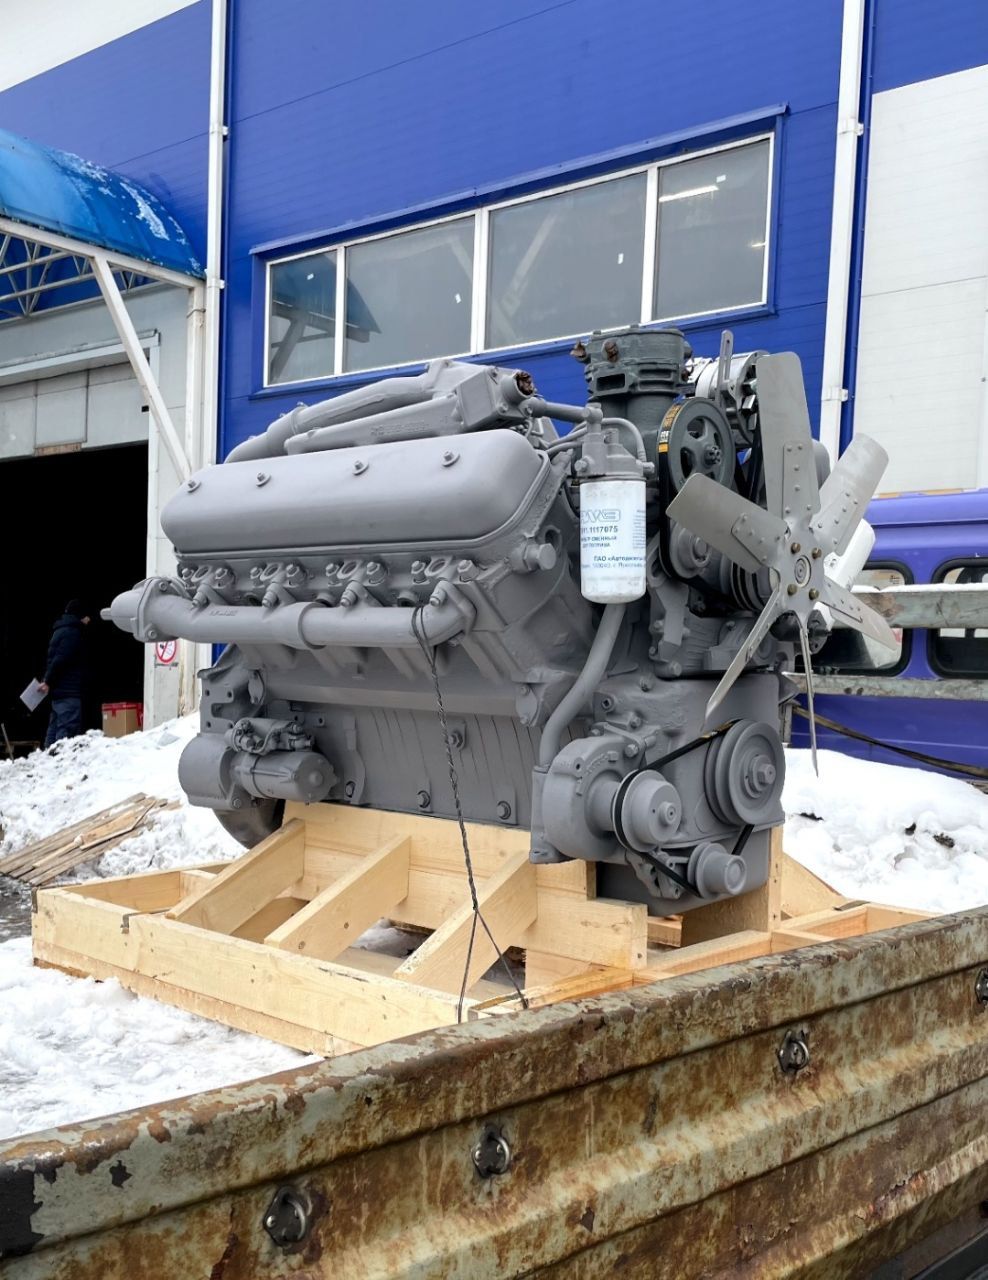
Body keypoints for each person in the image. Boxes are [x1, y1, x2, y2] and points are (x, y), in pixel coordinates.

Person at [39, 600, 92, 748]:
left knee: (54, 730)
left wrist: (48, 680)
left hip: (58, 693)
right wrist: (48, 681)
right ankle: (60, 760)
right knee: (66, 735)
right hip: (69, 691)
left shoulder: (59, 630)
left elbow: (54, 659)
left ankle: (48, 759)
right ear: (80, 615)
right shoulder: (72, 633)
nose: (89, 620)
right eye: (87, 616)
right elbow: (60, 659)